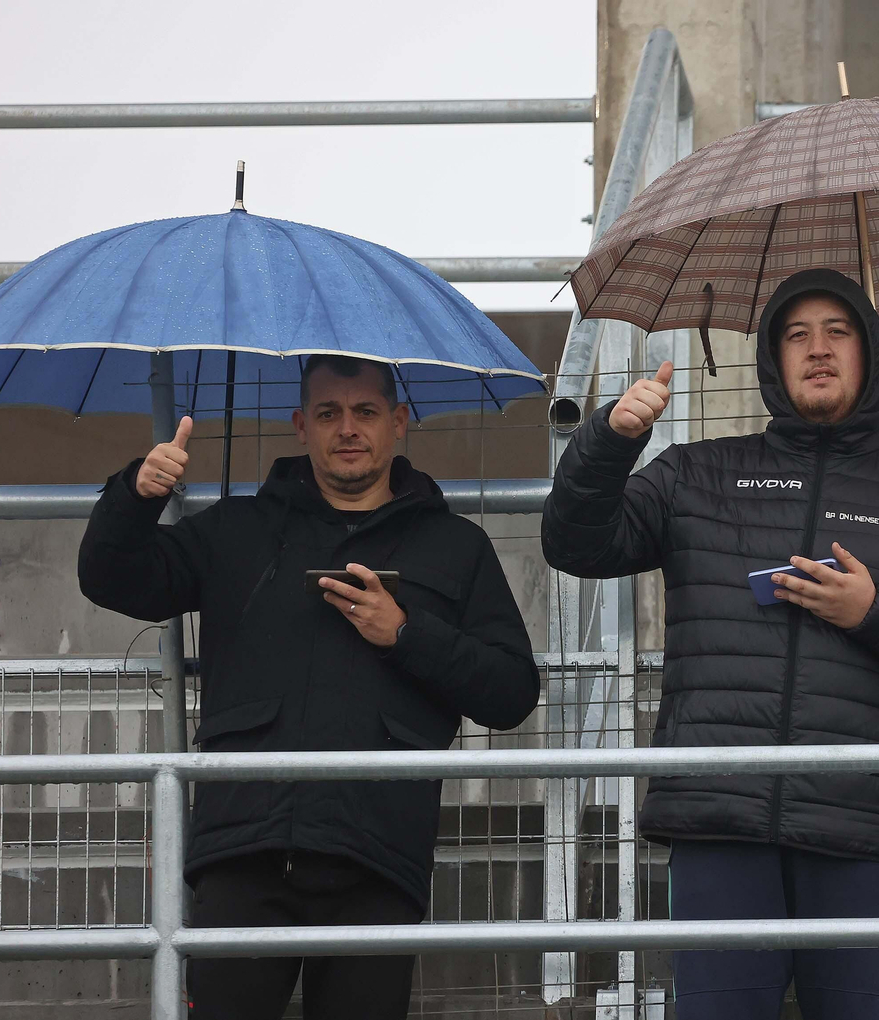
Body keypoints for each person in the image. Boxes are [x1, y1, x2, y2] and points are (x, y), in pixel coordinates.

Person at [542, 268, 879, 1019]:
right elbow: (574, 544)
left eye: (838, 332)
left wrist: (873, 612)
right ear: (771, 359)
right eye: (796, 335)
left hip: (859, 826)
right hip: (718, 820)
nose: (817, 350)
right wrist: (610, 441)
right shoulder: (698, 473)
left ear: (870, 352)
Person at [77, 354, 540, 1020]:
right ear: (301, 425)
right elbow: (111, 578)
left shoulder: (455, 546)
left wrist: (407, 633)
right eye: (328, 413)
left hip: (379, 854)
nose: (347, 428)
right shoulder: (237, 529)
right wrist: (136, 493)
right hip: (244, 848)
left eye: (365, 412)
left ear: (398, 422)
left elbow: (512, 692)